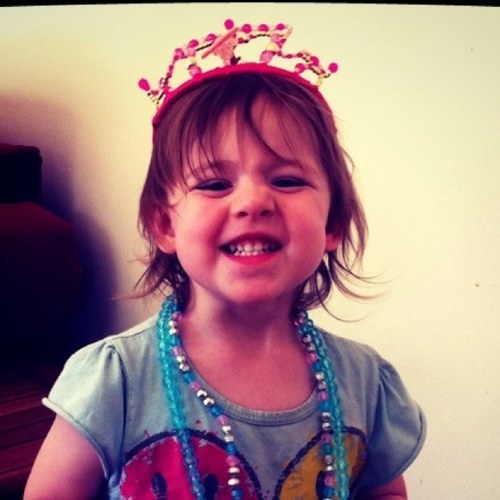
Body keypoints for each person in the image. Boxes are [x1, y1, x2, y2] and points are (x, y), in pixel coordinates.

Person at [24, 19, 426, 500]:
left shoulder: (365, 381)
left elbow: (386, 492)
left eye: (287, 180)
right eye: (215, 184)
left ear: (332, 224)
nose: (252, 202)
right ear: (165, 225)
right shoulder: (115, 379)